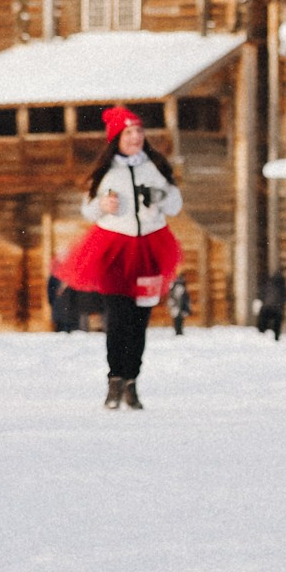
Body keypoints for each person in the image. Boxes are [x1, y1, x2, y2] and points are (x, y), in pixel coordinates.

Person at [55, 106, 183, 411]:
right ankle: (115, 378)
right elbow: (88, 209)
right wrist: (104, 204)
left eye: (139, 131)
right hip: (114, 250)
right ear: (116, 138)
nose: (136, 137)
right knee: (117, 318)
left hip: (150, 250)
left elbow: (176, 204)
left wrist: (161, 197)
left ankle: (132, 381)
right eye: (129, 133)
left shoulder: (156, 167)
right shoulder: (106, 171)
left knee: (140, 320)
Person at [256, 270, 286, 340]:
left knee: (263, 320)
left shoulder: (269, 284)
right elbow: (284, 297)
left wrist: (264, 302)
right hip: (277, 308)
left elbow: (261, 294)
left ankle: (261, 333)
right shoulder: (282, 286)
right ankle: (276, 336)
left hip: (267, 307)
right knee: (277, 323)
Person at [166, 269, 192, 336]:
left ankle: (178, 331)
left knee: (179, 320)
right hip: (177, 306)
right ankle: (178, 331)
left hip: (178, 306)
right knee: (178, 320)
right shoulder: (179, 286)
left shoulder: (177, 286)